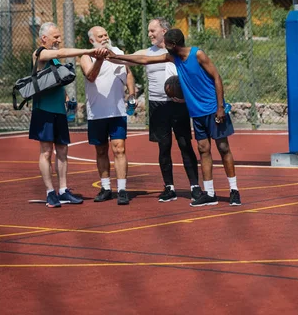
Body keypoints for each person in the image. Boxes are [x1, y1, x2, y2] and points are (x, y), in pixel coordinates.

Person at [107, 28, 241, 207]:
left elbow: (216, 77)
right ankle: (209, 193)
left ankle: (234, 191)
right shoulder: (174, 58)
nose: (165, 48)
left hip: (212, 108)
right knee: (203, 150)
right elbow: (145, 59)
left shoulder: (198, 54)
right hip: (197, 112)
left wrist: (220, 107)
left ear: (173, 45)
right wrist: (117, 58)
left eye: (167, 45)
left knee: (223, 147)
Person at [29, 21, 107, 208]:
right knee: (46, 152)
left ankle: (63, 190)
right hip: (44, 111)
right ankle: (50, 192)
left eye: (59, 36)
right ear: (44, 38)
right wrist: (87, 52)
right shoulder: (40, 53)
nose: (58, 40)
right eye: (55, 37)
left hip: (59, 111)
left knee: (63, 151)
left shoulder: (54, 60)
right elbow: (61, 52)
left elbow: (56, 80)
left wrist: (66, 98)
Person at [133, 18, 202, 203]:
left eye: (152, 30)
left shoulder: (177, 51)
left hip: (178, 104)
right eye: (148, 31)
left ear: (164, 31)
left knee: (185, 145)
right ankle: (169, 187)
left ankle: (195, 186)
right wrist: (109, 55)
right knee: (163, 148)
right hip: (157, 105)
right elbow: (131, 59)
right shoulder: (148, 52)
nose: (149, 34)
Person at [80, 26, 136, 206]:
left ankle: (122, 189)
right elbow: (90, 76)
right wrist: (100, 59)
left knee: (119, 149)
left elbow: (128, 74)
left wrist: (132, 93)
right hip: (96, 113)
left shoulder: (118, 53)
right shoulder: (86, 56)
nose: (104, 38)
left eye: (106, 35)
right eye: (100, 36)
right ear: (92, 41)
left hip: (117, 111)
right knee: (101, 150)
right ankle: (105, 188)